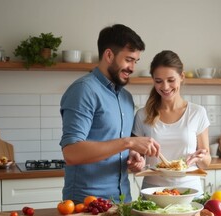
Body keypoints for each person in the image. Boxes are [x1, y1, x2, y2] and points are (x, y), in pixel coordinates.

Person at [60, 24, 160, 204]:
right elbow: (71, 152)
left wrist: (132, 156)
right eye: (129, 59)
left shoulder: (126, 98)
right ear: (108, 55)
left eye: (135, 61)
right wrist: (128, 143)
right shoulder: (84, 90)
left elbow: (115, 145)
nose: (132, 67)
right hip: (87, 204)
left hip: (122, 201)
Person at [132, 50, 211, 193]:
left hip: (190, 192)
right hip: (154, 193)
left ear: (181, 77)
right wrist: (137, 162)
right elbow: (136, 158)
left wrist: (201, 157)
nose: (165, 87)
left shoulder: (197, 113)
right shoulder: (142, 115)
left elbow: (206, 162)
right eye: (158, 81)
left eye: (171, 80)